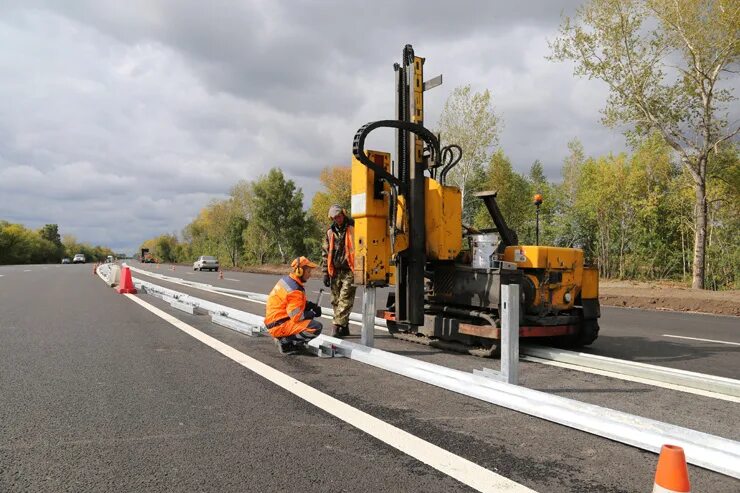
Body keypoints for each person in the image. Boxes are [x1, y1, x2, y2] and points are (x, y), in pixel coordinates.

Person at [264, 256, 323, 354]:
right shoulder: (295, 289)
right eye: (308, 272)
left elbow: (293, 303)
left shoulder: (288, 281)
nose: (310, 275)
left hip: (275, 321)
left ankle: (285, 338)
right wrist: (312, 313)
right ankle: (286, 342)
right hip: (279, 325)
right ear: (299, 271)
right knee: (315, 327)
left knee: (308, 321)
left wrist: (309, 305)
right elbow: (296, 316)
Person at [321, 204, 356, 338]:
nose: (338, 219)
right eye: (335, 218)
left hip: (350, 270)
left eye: (339, 216)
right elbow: (325, 253)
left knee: (345, 299)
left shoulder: (354, 228)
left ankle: (336, 326)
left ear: (343, 214)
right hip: (335, 271)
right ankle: (344, 327)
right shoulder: (330, 232)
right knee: (335, 301)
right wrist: (325, 273)